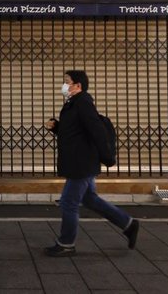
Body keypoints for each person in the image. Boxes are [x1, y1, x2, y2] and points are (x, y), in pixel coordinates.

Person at [44, 70, 139, 256]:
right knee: (89, 199)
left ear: (77, 85)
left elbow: (96, 130)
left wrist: (107, 156)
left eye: (67, 82)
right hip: (79, 160)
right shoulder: (73, 104)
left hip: (81, 162)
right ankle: (128, 224)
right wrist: (57, 127)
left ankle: (66, 243)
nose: (64, 85)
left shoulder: (83, 104)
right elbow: (76, 131)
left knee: (68, 202)